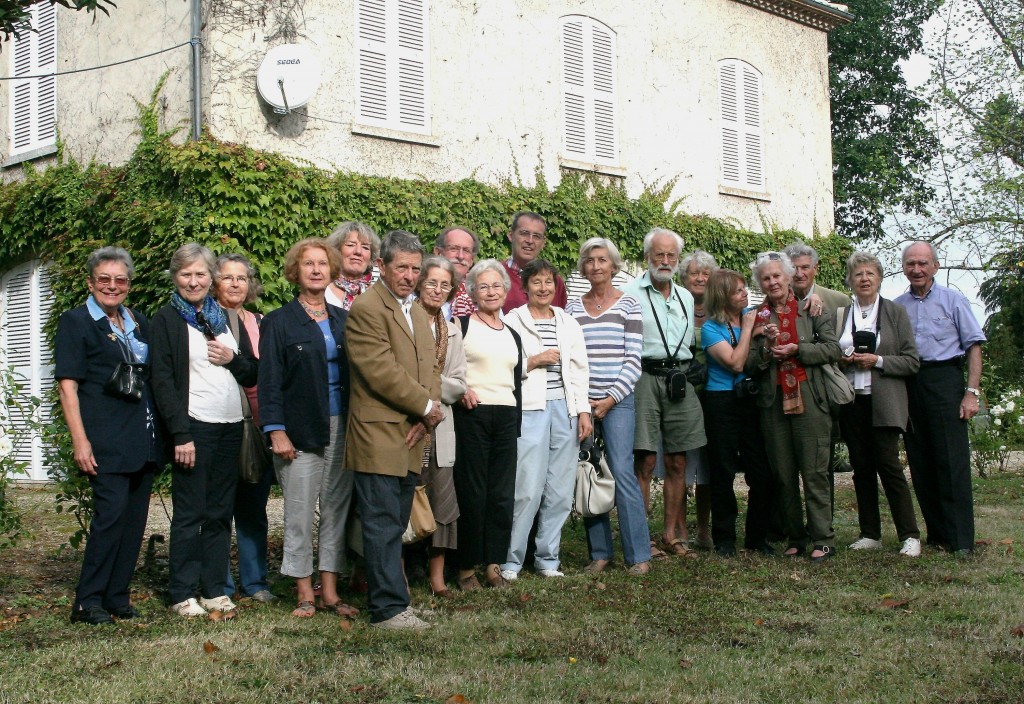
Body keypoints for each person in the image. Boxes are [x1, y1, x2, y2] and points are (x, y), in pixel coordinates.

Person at [56, 247, 162, 625]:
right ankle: (87, 600)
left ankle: (117, 596)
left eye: (120, 280)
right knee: (109, 519)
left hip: (142, 438)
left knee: (134, 523)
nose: (112, 286)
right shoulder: (77, 322)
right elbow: (68, 387)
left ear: (129, 285)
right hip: (104, 440)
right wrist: (80, 442)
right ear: (90, 282)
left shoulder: (138, 321)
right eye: (104, 279)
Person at [151, 243, 257, 617]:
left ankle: (214, 589)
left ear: (210, 278)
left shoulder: (223, 319)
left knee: (219, 513)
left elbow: (251, 372)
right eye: (185, 274)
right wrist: (180, 434)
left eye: (200, 274)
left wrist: (234, 358)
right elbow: (161, 381)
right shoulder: (167, 320)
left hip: (230, 426)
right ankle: (181, 592)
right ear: (175, 277)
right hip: (194, 428)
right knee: (189, 513)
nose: (193, 281)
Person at [345, 230, 443, 630]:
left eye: (415, 269)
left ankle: (396, 603)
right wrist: (425, 407)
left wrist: (426, 416)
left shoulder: (416, 309)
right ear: (380, 266)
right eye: (401, 267)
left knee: (397, 520)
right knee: (382, 523)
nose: (408, 275)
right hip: (378, 433)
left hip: (410, 431)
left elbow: (431, 367)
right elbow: (379, 371)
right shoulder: (367, 308)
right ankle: (386, 610)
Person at [259, 238, 357, 618]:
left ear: (332, 270)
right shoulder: (279, 322)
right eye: (307, 264)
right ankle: (303, 591)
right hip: (298, 430)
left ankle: (329, 591)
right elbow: (268, 381)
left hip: (342, 426)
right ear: (295, 272)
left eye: (322, 263)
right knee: (299, 513)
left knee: (335, 510)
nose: (316, 270)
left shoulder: (343, 320)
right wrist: (275, 429)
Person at [745, 251, 840, 562]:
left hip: (809, 397)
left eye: (777, 276)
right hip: (772, 403)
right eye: (766, 278)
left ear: (788, 277)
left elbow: (832, 348)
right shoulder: (755, 316)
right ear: (760, 283)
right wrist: (767, 351)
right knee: (784, 474)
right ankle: (796, 537)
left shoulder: (811, 309)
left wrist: (798, 349)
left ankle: (823, 538)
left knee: (814, 472)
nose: (772, 281)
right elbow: (749, 363)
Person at [500, 259, 591, 581]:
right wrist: (535, 360)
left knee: (559, 490)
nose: (543, 288)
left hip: (564, 411)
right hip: (530, 410)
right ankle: (511, 561)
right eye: (536, 282)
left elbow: (579, 370)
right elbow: (504, 366)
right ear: (524, 288)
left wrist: (583, 411)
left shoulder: (568, 322)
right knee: (526, 488)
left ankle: (547, 559)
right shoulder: (512, 320)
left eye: (548, 282)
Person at [565, 238, 652, 575]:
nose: (596, 266)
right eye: (589, 260)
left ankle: (639, 556)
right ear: (583, 268)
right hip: (583, 404)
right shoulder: (572, 309)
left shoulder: (629, 304)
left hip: (618, 402)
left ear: (614, 266)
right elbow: (571, 360)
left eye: (602, 260)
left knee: (622, 474)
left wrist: (611, 399)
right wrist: (584, 404)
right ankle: (600, 553)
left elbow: (633, 360)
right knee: (589, 472)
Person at [895, 241, 985, 555]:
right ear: (904, 268)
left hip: (945, 381)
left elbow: (974, 346)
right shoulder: (897, 306)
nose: (916, 269)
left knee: (951, 461)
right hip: (910, 384)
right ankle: (938, 536)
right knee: (921, 461)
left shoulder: (953, 300)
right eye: (910, 264)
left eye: (922, 263)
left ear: (934, 266)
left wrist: (971, 394)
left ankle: (961, 541)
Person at [622, 228, 707, 559]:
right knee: (644, 459)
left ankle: (671, 535)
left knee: (678, 459)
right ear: (647, 257)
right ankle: (642, 539)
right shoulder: (629, 293)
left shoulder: (686, 296)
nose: (666, 261)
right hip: (643, 376)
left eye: (672, 255)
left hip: (680, 380)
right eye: (660, 254)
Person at [837, 251, 922, 557]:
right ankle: (870, 533)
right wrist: (842, 358)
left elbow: (912, 361)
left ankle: (910, 535)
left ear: (879, 278)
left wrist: (878, 360)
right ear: (850, 279)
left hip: (884, 400)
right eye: (858, 274)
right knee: (861, 467)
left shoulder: (895, 313)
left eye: (870, 274)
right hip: (852, 401)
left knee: (889, 466)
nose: (864, 279)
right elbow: (831, 351)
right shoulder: (841, 314)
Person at [453, 259, 524, 590]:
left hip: (506, 417)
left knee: (501, 494)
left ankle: (493, 565)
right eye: (484, 286)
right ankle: (466, 568)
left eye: (497, 285)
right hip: (473, 415)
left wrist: (517, 422)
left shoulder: (513, 334)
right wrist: (461, 389)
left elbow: (516, 384)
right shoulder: (460, 326)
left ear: (505, 291)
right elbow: (447, 370)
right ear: (472, 292)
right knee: (473, 492)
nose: (491, 291)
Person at [213, 254, 276, 603]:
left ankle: (255, 582)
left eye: (242, 277)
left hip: (257, 424)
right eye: (227, 277)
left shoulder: (261, 322)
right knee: (220, 506)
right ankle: (219, 583)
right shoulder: (203, 321)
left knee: (253, 507)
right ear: (213, 282)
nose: (236, 283)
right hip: (220, 422)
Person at [700, 269, 775, 557]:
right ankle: (725, 540)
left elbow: (757, 359)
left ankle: (757, 537)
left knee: (762, 472)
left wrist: (764, 339)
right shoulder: (711, 328)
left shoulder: (752, 318)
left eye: (745, 289)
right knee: (723, 471)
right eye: (738, 291)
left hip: (748, 401)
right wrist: (747, 330)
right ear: (722, 297)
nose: (746, 294)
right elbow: (734, 362)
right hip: (721, 403)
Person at [412, 256, 468, 597]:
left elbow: (460, 383)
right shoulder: (403, 319)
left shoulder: (454, 330)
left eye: (444, 285)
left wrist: (427, 392)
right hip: (407, 424)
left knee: (443, 504)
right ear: (420, 284)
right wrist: (422, 397)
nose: (437, 289)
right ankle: (399, 574)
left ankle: (437, 578)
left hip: (441, 428)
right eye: (431, 282)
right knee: (403, 502)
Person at [679, 250, 716, 550]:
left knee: (706, 467)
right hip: (681, 394)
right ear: (684, 278)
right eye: (694, 273)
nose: (701, 278)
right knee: (679, 462)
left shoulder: (720, 308)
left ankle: (704, 529)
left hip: (712, 395)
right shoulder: (676, 306)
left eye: (705, 274)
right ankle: (678, 528)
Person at [500, 211, 568, 313]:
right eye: (524, 233)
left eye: (536, 236)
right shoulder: (496, 276)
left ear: (543, 242)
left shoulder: (554, 281)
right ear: (511, 235)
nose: (530, 241)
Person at [324, 221, 380, 310]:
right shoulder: (322, 291)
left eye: (365, 247)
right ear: (337, 251)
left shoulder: (379, 295)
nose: (358, 251)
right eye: (351, 245)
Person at [434, 226, 479, 318]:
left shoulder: (482, 294)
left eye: (466, 250)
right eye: (453, 249)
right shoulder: (421, 290)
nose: (460, 256)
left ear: (472, 259)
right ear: (438, 253)